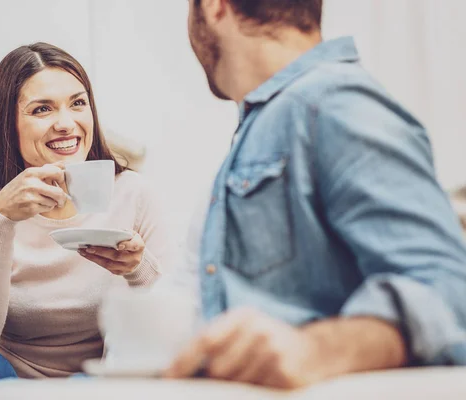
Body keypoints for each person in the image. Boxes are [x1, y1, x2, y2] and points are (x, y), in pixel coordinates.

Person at [164, 0, 466, 389]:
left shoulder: (331, 102)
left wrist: (317, 349)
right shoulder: (273, 118)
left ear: (214, 7)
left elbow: (449, 288)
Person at [0, 42, 170, 398]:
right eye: (42, 109)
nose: (66, 124)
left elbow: (174, 329)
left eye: (78, 103)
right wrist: (1, 221)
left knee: (97, 387)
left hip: (80, 389)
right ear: (8, 125)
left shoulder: (134, 196)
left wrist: (137, 268)